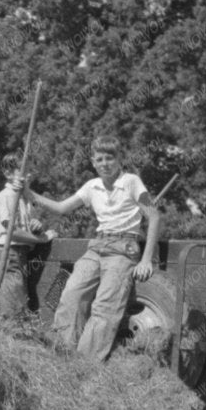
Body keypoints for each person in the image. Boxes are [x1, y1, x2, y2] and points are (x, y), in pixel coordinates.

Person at [46, 133, 163, 361]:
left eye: (109, 158)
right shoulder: (92, 186)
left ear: (119, 159)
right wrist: (29, 194)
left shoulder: (130, 181)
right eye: (99, 159)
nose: (104, 164)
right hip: (97, 246)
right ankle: (61, 357)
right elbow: (61, 208)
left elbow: (155, 216)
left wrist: (146, 259)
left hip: (123, 249)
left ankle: (84, 364)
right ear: (93, 162)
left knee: (104, 308)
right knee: (71, 295)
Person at [0, 165, 64, 321]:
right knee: (14, 310)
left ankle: (16, 338)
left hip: (21, 256)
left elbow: (23, 228)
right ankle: (12, 340)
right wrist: (42, 239)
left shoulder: (24, 199)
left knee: (21, 305)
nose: (28, 174)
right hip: (9, 256)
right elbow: (12, 232)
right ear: (8, 173)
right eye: (22, 170)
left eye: (29, 170)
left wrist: (36, 227)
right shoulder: (7, 197)